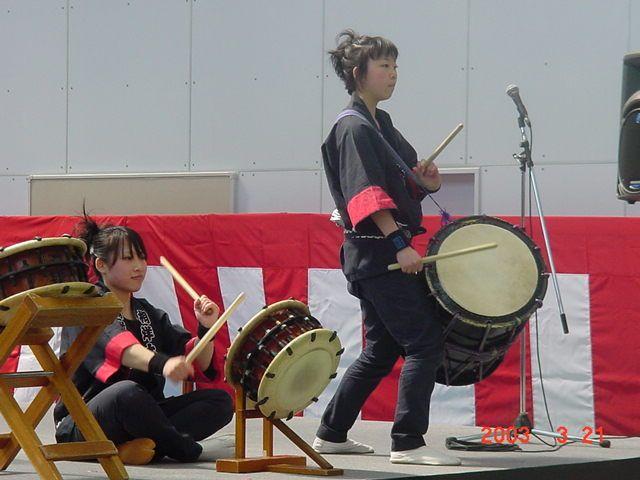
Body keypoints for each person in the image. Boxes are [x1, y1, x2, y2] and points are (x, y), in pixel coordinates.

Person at [312, 29, 460, 466]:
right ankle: (408, 442)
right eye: (384, 66)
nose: (393, 74)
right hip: (378, 253)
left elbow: (406, 181)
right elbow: (366, 195)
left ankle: (331, 432)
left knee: (381, 349)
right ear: (359, 73)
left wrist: (426, 181)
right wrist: (399, 243)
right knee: (424, 342)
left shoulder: (381, 124)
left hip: (374, 255)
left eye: (395, 66)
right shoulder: (353, 127)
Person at [53, 214, 234, 464]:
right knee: (126, 393)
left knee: (220, 401)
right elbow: (122, 349)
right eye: (128, 259)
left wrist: (206, 329)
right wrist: (164, 364)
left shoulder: (147, 312)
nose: (139, 266)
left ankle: (138, 448)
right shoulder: (89, 307)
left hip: (145, 416)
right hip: (85, 421)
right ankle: (181, 447)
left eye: (141, 257)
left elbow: (197, 362)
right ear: (101, 265)